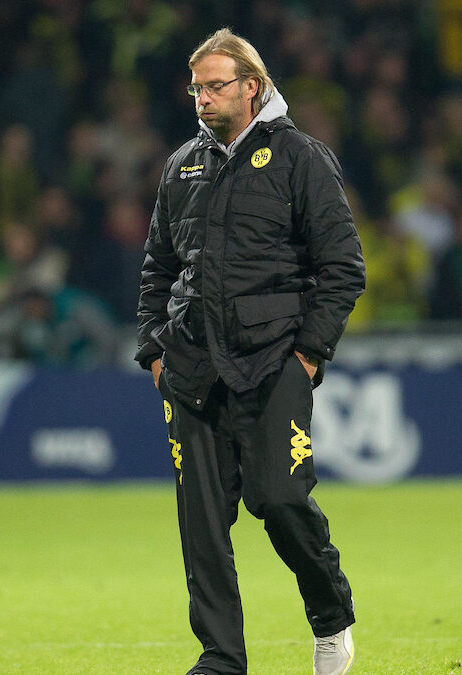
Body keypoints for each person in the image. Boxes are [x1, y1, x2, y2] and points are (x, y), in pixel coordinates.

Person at [135, 28, 365, 675]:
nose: (202, 98)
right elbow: (158, 268)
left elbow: (343, 266)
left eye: (215, 86)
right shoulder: (182, 165)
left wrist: (309, 354)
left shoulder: (300, 158)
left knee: (281, 499)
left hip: (273, 362)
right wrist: (153, 349)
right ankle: (220, 658)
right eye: (196, 88)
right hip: (191, 368)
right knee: (203, 524)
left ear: (252, 86)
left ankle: (330, 618)